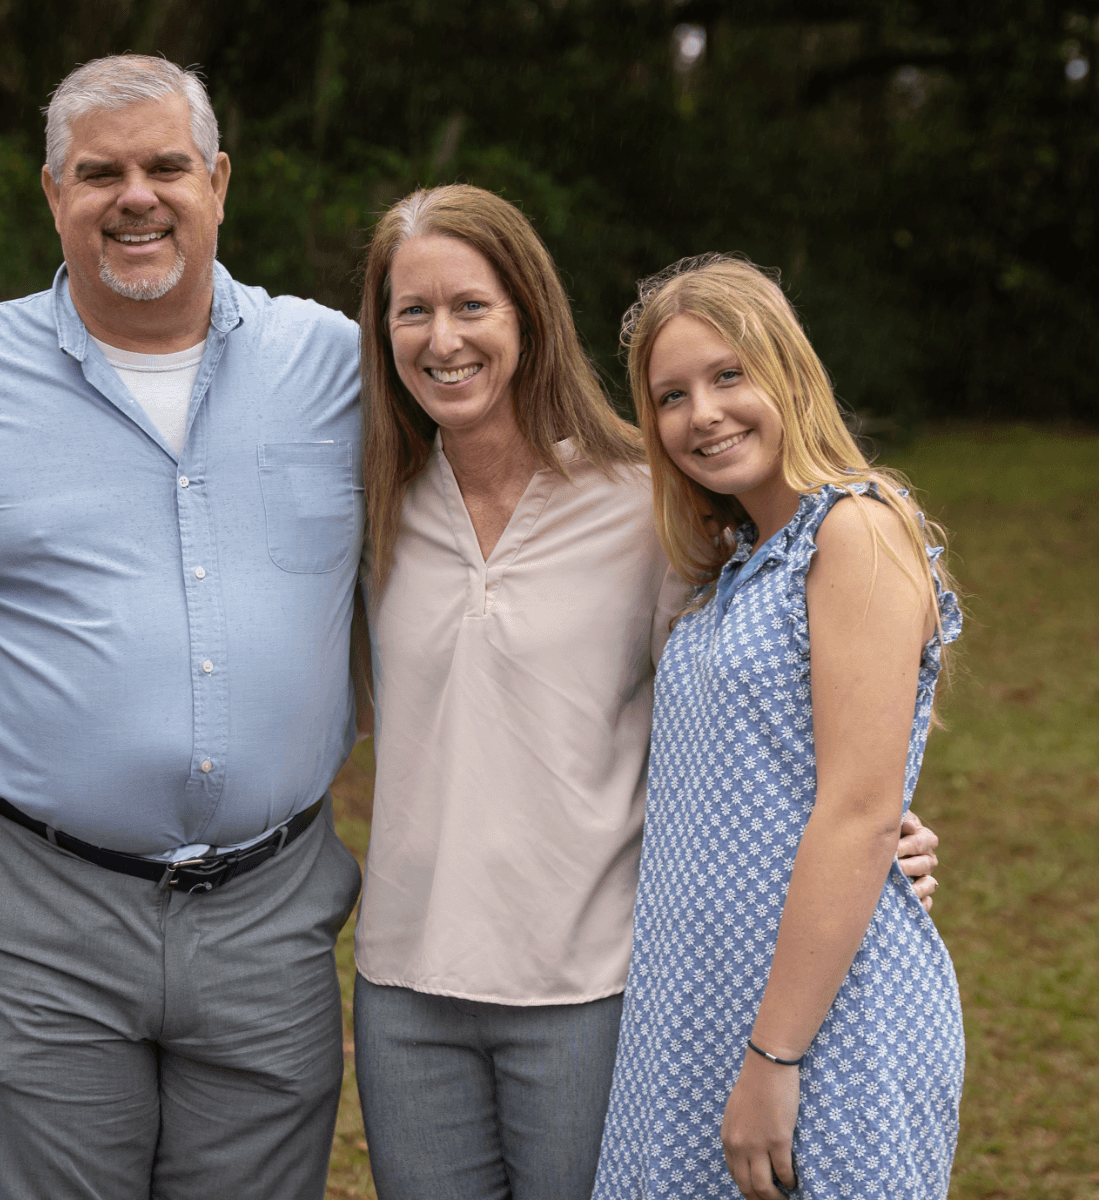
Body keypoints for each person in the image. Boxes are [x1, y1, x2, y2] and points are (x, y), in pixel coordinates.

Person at [350, 186, 943, 1200]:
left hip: (592, 984)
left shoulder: (646, 505)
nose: (443, 339)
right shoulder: (367, 505)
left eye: (472, 305)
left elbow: (797, 690)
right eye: (414, 311)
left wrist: (880, 825)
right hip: (403, 982)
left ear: (529, 316)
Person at [0, 54, 365, 1200]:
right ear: (53, 192)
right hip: (33, 919)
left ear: (218, 181)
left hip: (270, 917)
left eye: (164, 167)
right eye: (100, 173)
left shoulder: (338, 366)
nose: (134, 197)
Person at [592, 255, 964, 1199]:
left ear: (787, 372)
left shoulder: (856, 529)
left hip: (822, 1027)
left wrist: (774, 1057)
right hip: (700, 1010)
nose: (704, 414)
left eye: (729, 375)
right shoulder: (737, 564)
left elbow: (858, 812)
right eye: (671, 396)